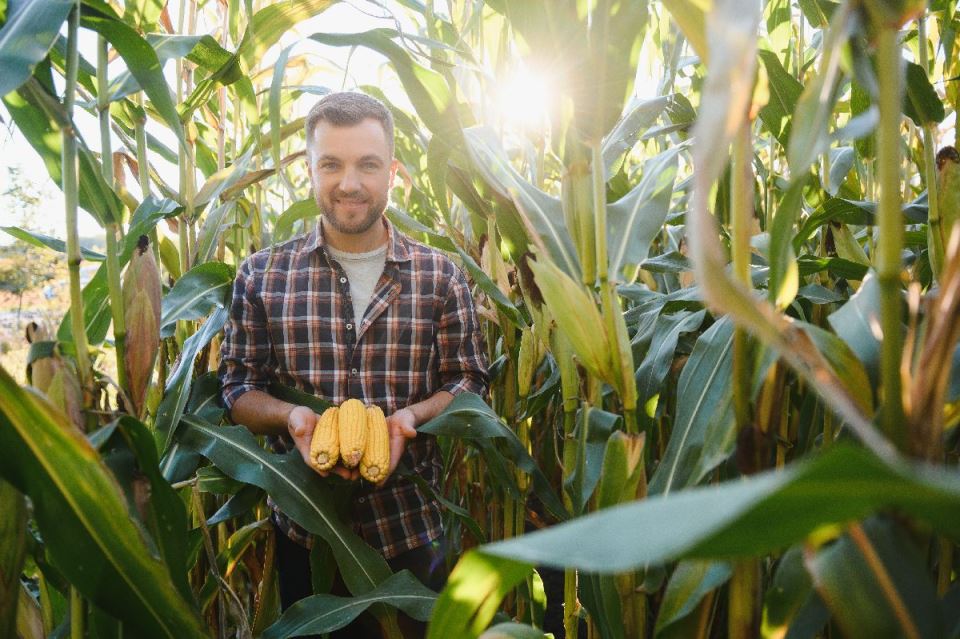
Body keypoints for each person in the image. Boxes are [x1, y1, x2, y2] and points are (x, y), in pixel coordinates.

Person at [217, 92, 488, 635]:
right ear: (311, 171)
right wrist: (292, 418)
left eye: (367, 164)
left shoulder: (441, 276)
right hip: (308, 533)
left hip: (415, 534)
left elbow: (468, 382)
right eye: (331, 164)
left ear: (393, 172)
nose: (349, 183)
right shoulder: (262, 276)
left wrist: (409, 420)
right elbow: (238, 387)